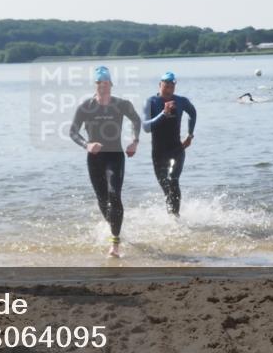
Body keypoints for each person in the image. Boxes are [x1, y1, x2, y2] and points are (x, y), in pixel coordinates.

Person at [69, 66, 141, 258]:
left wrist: (134, 141)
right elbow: (73, 132)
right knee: (102, 200)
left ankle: (115, 243)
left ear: (111, 84)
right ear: (95, 85)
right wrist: (86, 144)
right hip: (94, 159)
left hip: (115, 156)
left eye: (106, 83)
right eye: (100, 83)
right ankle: (115, 227)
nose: (103, 86)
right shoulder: (85, 107)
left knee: (113, 194)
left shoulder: (121, 104)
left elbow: (136, 120)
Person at [142, 71, 196, 216]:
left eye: (172, 86)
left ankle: (175, 218)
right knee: (166, 187)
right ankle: (171, 214)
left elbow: (193, 113)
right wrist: (163, 114)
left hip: (176, 150)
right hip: (158, 152)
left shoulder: (181, 101)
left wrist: (190, 134)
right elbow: (146, 127)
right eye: (166, 85)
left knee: (173, 181)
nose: (169, 89)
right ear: (160, 85)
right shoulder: (151, 102)